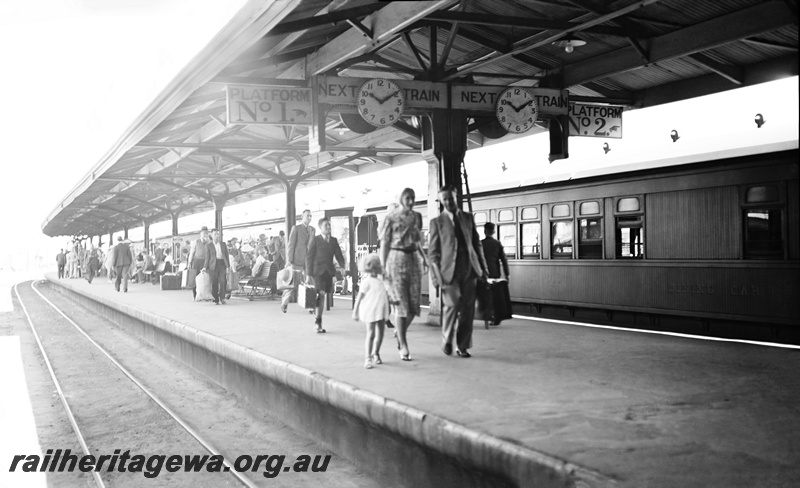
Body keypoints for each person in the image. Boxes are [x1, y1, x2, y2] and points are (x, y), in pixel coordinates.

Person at [428, 185, 489, 358]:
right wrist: (436, 278)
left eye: (451, 198)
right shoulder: (436, 222)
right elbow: (432, 254)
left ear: (456, 197)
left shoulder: (468, 218)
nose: (448, 202)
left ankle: (462, 346)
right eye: (445, 199)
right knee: (452, 305)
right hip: (448, 273)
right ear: (441, 201)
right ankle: (447, 339)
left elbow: (477, 244)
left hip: (469, 269)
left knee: (468, 310)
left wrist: (483, 268)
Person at [380, 188, 428, 361]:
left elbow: (417, 241)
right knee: (401, 305)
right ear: (401, 199)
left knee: (414, 306)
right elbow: (385, 244)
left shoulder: (417, 217)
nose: (411, 201)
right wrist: (383, 267)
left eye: (413, 198)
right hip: (395, 259)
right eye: (407, 198)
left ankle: (399, 332)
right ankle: (403, 344)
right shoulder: (390, 218)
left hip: (413, 259)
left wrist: (424, 258)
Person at [306, 217, 345, 333]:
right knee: (321, 294)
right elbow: (309, 257)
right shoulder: (315, 240)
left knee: (323, 295)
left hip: (328, 272)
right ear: (320, 227)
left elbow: (338, 254)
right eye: (325, 225)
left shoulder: (333, 241)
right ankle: (318, 322)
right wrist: (308, 274)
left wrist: (342, 266)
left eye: (329, 225)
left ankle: (317, 317)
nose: (328, 227)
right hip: (317, 272)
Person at [352, 254, 390, 369]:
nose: (374, 271)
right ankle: (368, 357)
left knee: (380, 334)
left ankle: (376, 352)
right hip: (369, 310)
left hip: (380, 310)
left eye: (375, 268)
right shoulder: (366, 282)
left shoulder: (381, 281)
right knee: (371, 333)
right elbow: (359, 298)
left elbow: (385, 296)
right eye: (372, 268)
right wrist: (355, 311)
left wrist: (388, 309)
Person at [281, 209, 315, 313]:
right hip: (296, 259)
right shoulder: (296, 228)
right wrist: (289, 261)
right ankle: (284, 303)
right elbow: (291, 245)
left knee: (311, 282)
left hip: (308, 260)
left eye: (310, 216)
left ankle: (311, 306)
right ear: (302, 217)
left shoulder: (312, 230)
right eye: (307, 216)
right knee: (292, 283)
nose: (309, 218)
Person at [481, 222, 510, 326]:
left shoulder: (480, 244)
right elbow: (504, 260)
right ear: (493, 231)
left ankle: (488, 315)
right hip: (495, 274)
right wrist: (507, 274)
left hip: (483, 274)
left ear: (484, 231)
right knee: (495, 297)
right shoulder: (497, 244)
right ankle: (496, 317)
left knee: (485, 296)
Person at [207, 228, 230, 305]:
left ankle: (222, 298)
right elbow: (207, 258)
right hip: (213, 265)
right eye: (215, 234)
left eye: (218, 234)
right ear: (211, 235)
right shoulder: (209, 245)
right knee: (214, 282)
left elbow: (226, 255)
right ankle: (215, 299)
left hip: (222, 264)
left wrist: (228, 266)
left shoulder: (223, 244)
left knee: (223, 281)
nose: (217, 236)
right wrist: (204, 267)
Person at [187, 226, 211, 300]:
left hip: (206, 261)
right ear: (200, 234)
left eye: (206, 233)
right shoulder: (196, 242)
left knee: (206, 279)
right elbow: (192, 252)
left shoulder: (209, 242)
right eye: (204, 233)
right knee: (195, 278)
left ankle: (205, 295)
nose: (205, 234)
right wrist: (189, 262)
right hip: (197, 261)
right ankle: (195, 295)